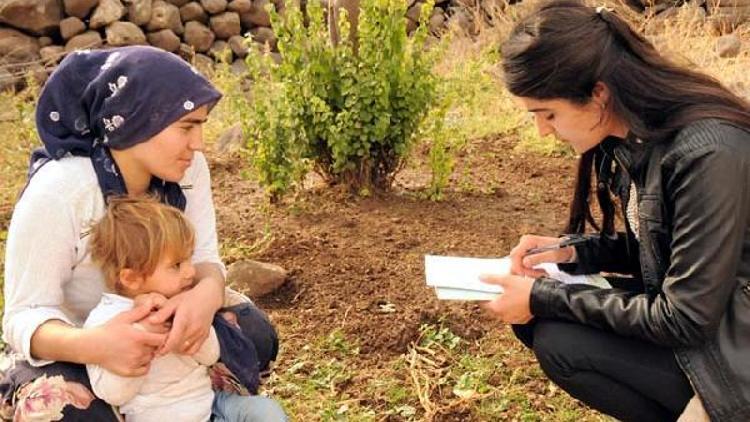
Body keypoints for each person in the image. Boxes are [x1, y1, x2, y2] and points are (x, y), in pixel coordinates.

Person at [479, 2, 750, 422]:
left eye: (548, 114)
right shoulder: (634, 139)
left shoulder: (708, 152)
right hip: (715, 320)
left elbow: (685, 318)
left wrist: (544, 295)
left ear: (598, 94)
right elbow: (671, 248)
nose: (543, 131)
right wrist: (574, 253)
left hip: (736, 345)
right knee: (549, 333)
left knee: (557, 332)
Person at [1, 46, 282, 420]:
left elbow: (206, 262)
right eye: (186, 127)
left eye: (201, 126)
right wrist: (98, 345)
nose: (197, 144)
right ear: (136, 121)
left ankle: (181, 402)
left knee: (254, 334)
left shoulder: (188, 170)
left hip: (159, 326)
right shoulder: (61, 190)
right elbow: (22, 317)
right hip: (80, 340)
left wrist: (204, 298)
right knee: (69, 409)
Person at [84, 197, 285, 421]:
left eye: (190, 259)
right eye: (177, 265)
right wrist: (145, 335)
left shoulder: (182, 300)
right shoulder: (105, 321)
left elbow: (210, 356)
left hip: (211, 407)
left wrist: (187, 332)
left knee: (266, 411)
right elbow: (112, 394)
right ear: (131, 278)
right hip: (157, 416)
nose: (191, 272)